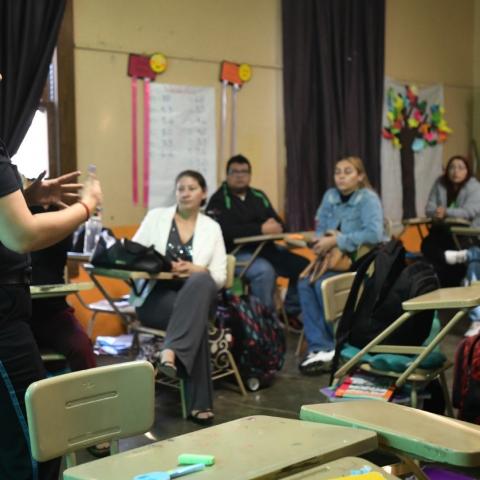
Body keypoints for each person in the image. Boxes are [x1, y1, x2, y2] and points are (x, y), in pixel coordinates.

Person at [0, 132, 102, 479]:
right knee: (35, 443)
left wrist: (25, 198)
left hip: (41, 312)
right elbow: (22, 235)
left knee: (80, 347)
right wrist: (86, 206)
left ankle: (94, 426)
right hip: (6, 318)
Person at [132, 170, 226, 425]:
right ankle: (200, 405)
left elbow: (220, 277)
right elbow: (133, 255)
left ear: (203, 193)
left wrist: (196, 269)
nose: (185, 193)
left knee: (203, 279)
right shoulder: (156, 218)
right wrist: (161, 267)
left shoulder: (212, 228)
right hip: (156, 299)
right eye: (180, 188)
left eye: (191, 188)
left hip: (196, 294)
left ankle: (170, 350)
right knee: (195, 323)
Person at [297, 156, 385, 375]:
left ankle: (335, 344)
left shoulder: (368, 198)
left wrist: (338, 240)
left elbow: (374, 234)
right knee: (303, 283)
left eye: (348, 171)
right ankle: (320, 346)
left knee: (322, 286)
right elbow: (321, 228)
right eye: (338, 172)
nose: (342, 176)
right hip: (332, 260)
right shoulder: (330, 196)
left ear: (360, 176)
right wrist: (320, 241)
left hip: (360, 261)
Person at [206, 154, 309, 327]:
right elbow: (224, 231)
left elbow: (279, 223)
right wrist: (260, 228)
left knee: (304, 266)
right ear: (227, 175)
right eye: (235, 172)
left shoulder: (258, 196)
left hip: (266, 249)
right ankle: (264, 323)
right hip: (235, 253)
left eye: (244, 172)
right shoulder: (218, 200)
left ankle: (290, 311)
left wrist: (277, 226)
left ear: (250, 175)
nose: (240, 176)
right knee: (264, 271)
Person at [421, 155, 480, 287]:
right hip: (442, 230)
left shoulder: (475, 187)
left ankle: (464, 260)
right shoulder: (440, 183)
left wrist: (446, 212)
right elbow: (429, 207)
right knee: (426, 245)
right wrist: (436, 213)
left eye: (460, 168)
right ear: (447, 170)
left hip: (465, 232)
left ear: (467, 170)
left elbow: (468, 212)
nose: (456, 171)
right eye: (452, 167)